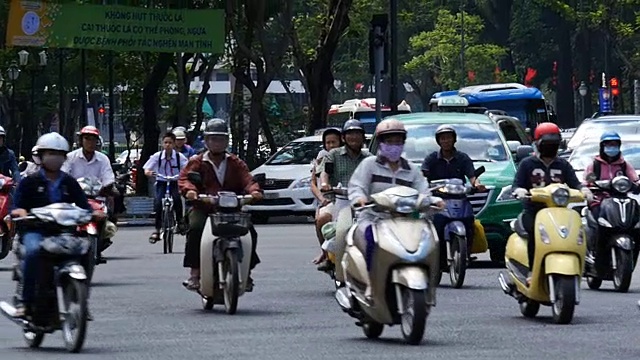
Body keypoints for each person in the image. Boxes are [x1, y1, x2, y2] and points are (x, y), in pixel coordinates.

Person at [11, 132, 105, 318]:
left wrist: (94, 213)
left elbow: (84, 205)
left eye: (59, 154)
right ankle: (25, 301)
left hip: (63, 232)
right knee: (33, 252)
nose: (54, 158)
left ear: (64, 157)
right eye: (50, 153)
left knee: (86, 251)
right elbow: (17, 206)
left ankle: (82, 301)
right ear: (41, 156)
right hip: (35, 231)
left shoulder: (69, 182)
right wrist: (20, 212)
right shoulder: (30, 182)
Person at [348, 119, 444, 290]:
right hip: (373, 219)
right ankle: (371, 284)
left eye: (398, 141)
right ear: (381, 143)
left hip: (405, 221)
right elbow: (357, 186)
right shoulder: (369, 165)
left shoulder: (411, 170)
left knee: (428, 241)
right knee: (371, 241)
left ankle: (428, 283)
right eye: (389, 141)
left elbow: (424, 191)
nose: (394, 145)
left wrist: (434, 201)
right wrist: (360, 199)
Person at [178, 119, 263, 291]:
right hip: (204, 208)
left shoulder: (235, 162)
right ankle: (195, 274)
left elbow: (248, 179)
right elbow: (185, 178)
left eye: (221, 139)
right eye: (213, 139)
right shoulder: (197, 161)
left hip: (232, 208)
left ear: (227, 141)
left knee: (250, 232)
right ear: (206, 140)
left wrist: (254, 191)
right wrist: (191, 191)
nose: (217, 142)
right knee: (195, 229)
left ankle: (247, 273)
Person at [511, 122, 592, 283]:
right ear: (537, 144)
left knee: (578, 231)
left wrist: (584, 190)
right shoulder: (527, 164)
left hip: (559, 211)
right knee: (535, 233)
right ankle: (532, 272)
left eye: (553, 144)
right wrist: (520, 191)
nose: (550, 148)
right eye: (547, 144)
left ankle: (581, 265)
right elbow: (517, 184)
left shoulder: (563, 164)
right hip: (534, 210)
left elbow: (575, 183)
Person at [421, 124, 486, 266]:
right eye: (443, 139)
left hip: (459, 199)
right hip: (439, 200)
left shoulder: (463, 158)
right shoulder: (432, 159)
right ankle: (439, 259)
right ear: (438, 141)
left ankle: (467, 252)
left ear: (454, 140)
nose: (446, 141)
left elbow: (472, 176)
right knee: (437, 224)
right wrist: (424, 186)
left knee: (469, 221)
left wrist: (477, 184)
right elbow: (423, 175)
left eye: (448, 138)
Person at [317, 119, 370, 270]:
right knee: (322, 218)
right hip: (338, 199)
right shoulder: (333, 155)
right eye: (350, 134)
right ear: (344, 137)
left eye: (357, 134)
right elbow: (324, 173)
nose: (354, 138)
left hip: (363, 201)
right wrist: (326, 184)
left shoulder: (369, 158)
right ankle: (327, 256)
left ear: (363, 137)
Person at [583, 131, 639, 257]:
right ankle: (596, 252)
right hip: (600, 201)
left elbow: (634, 179)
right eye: (608, 145)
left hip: (621, 202)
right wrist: (591, 186)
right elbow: (587, 181)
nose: (612, 148)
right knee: (599, 224)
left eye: (615, 145)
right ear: (602, 146)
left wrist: (636, 184)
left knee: (635, 223)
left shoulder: (624, 165)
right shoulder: (595, 165)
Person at [62, 126, 118, 251]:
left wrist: (107, 187)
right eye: (87, 139)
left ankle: (104, 238)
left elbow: (108, 177)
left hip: (97, 197)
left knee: (110, 208)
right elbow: (63, 176)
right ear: (81, 140)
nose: (90, 143)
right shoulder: (70, 158)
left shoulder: (103, 159)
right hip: (74, 197)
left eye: (93, 139)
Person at [144, 132, 189, 242]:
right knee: (158, 202)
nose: (168, 145)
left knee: (177, 199)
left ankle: (180, 222)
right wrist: (148, 172)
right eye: (165, 142)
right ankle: (157, 230)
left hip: (174, 182)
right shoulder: (157, 156)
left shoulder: (179, 157)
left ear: (174, 144)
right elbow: (147, 168)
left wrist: (184, 175)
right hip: (161, 181)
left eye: (170, 143)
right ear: (162, 144)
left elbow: (187, 168)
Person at [310, 128, 342, 265]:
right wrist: (322, 199)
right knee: (322, 219)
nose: (330, 146)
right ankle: (326, 254)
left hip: (349, 198)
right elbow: (314, 183)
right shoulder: (322, 157)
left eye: (333, 142)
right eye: (327, 143)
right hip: (329, 200)